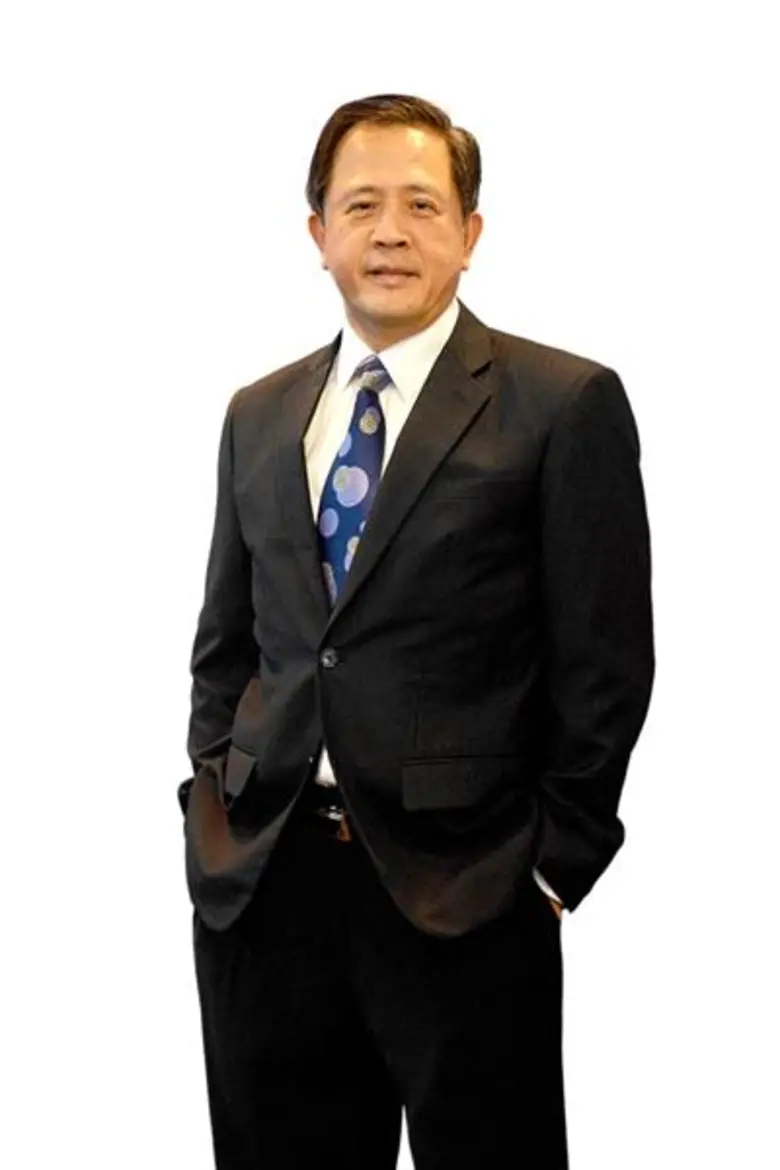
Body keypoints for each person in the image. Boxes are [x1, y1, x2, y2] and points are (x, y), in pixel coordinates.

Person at [179, 92, 655, 1170]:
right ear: (319, 234)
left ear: (470, 233)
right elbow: (227, 643)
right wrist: (211, 804)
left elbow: (606, 661)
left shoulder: (561, 402)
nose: (390, 232)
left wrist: (553, 869)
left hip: (469, 891)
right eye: (361, 206)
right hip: (267, 884)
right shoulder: (260, 411)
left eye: (422, 205)